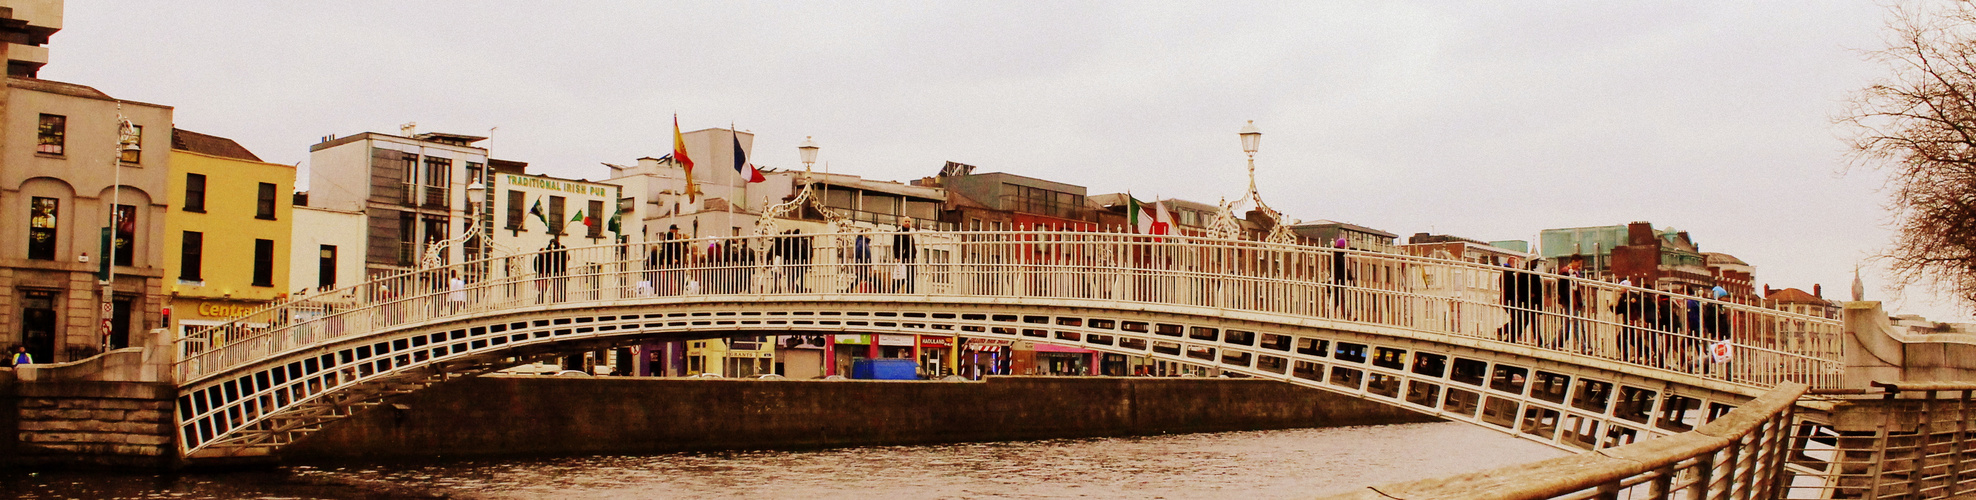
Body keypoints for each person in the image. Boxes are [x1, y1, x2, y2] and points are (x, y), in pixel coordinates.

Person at [892, 219, 918, 293]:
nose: (907, 223)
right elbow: (896, 246)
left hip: (911, 258)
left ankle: (910, 292)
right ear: (902, 223)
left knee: (911, 276)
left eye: (909, 221)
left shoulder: (909, 233)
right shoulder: (899, 233)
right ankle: (893, 291)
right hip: (904, 257)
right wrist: (898, 257)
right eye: (905, 221)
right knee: (902, 276)